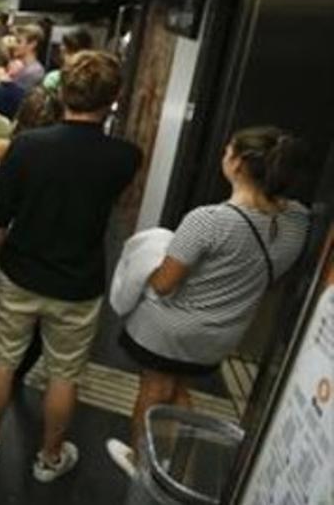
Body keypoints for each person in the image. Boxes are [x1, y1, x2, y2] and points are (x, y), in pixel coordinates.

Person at [0, 51, 140, 482]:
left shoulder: (27, 146)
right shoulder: (125, 157)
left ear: (62, 90)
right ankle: (49, 457)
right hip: (79, 282)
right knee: (65, 375)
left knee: (2, 358)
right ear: (114, 98)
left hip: (20, 271)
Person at [106, 126, 309, 476]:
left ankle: (143, 466)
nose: (223, 155)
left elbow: (165, 284)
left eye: (227, 150)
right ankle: (178, 468)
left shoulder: (209, 220)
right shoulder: (298, 219)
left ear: (239, 163)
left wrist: (149, 258)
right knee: (180, 389)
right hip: (222, 334)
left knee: (154, 388)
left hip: (168, 330)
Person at [9, 25, 47, 91]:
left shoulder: (34, 72)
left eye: (19, 42)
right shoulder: (16, 66)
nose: (14, 45)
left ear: (32, 44)